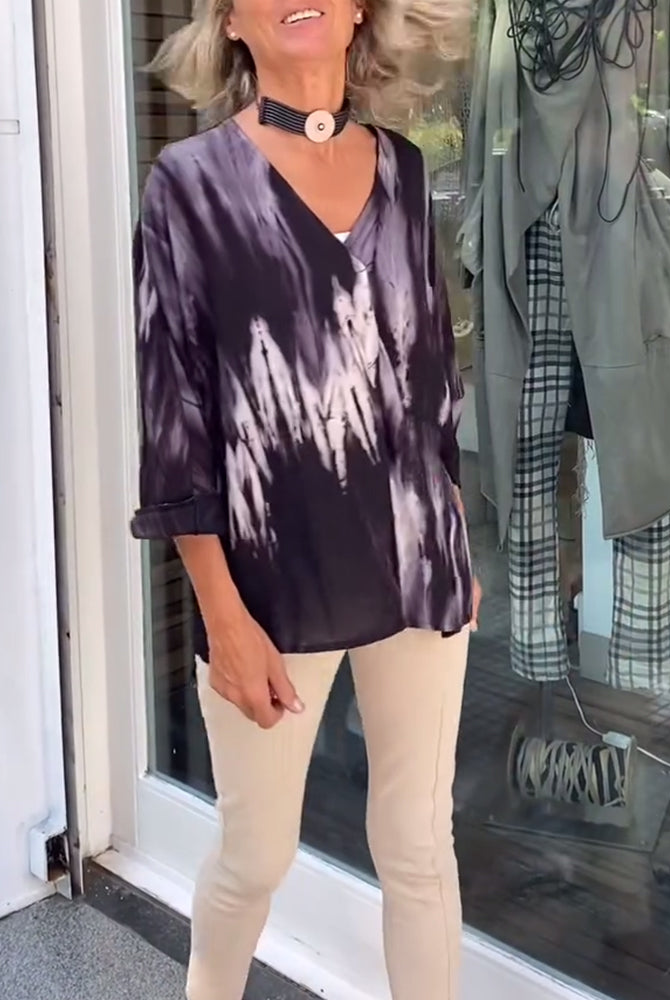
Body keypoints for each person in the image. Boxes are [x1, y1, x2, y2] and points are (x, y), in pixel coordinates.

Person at [129, 2, 479, 998]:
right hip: (269, 582)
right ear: (231, 21)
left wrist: (453, 534)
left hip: (415, 563)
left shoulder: (402, 169)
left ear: (360, 8)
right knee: (256, 857)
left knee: (418, 845)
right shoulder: (189, 185)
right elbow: (173, 418)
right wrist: (222, 614)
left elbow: (426, 378)